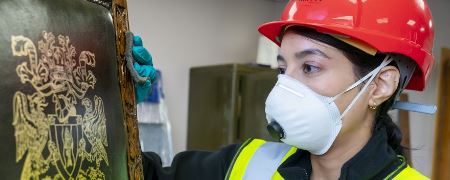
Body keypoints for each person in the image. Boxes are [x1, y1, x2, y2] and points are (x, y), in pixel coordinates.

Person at [138, 0, 435, 179]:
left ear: (380, 85)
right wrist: (107, 104)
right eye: (283, 69)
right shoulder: (245, 165)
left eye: (309, 67)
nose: (284, 87)